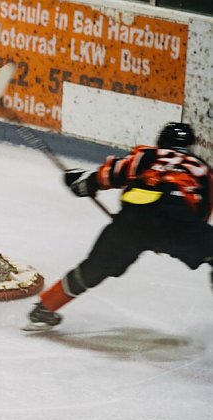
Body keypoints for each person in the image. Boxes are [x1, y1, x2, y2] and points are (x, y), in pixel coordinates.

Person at [26, 122, 213, 330]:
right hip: (176, 219)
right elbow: (202, 214)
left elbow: (107, 174)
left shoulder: (147, 155)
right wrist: (178, 241)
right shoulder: (200, 167)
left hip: (132, 220)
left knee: (94, 268)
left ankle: (45, 307)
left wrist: (82, 183)